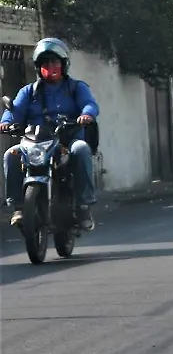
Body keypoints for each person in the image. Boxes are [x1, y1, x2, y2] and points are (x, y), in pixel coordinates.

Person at [1, 38, 100, 230]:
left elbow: (90, 104)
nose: (51, 67)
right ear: (39, 67)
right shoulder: (29, 91)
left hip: (67, 138)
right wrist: (6, 122)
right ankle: (19, 207)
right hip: (36, 141)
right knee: (11, 155)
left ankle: (83, 205)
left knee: (81, 149)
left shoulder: (76, 88)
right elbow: (15, 110)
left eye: (55, 62)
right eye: (45, 63)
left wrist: (86, 114)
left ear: (63, 64)